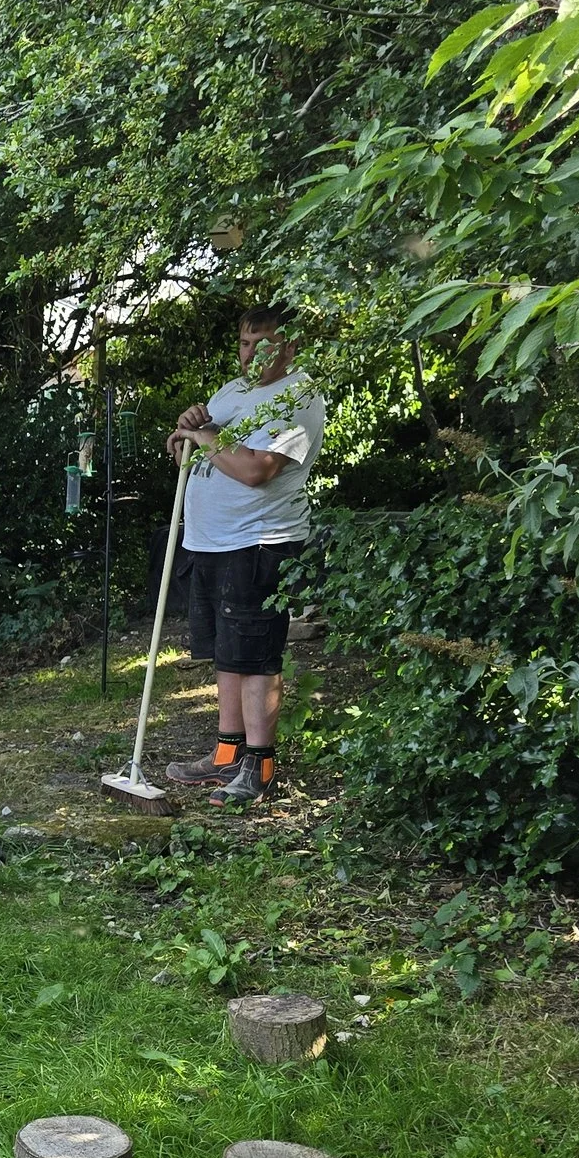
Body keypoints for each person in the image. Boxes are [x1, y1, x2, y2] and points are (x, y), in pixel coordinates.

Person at [163, 306, 325, 804]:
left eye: (263, 344)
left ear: (290, 346)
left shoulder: (298, 397)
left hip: (259, 543)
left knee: (255, 658)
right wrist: (186, 428)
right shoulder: (231, 395)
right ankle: (226, 755)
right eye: (244, 344)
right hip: (211, 541)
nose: (250, 354)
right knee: (226, 655)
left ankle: (260, 765)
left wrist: (205, 436)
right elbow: (192, 449)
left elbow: (257, 470)